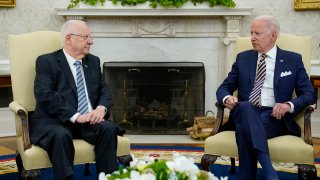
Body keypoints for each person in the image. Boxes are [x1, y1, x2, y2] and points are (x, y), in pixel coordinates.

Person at [216, 15, 316, 180]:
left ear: (273, 35)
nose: (252, 38)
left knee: (243, 128)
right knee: (246, 107)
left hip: (275, 118)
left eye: (258, 33)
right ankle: (269, 171)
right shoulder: (243, 58)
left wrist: (288, 105)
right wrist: (227, 98)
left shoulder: (293, 60)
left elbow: (309, 94)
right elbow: (224, 87)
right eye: (251, 33)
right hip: (246, 110)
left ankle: (246, 177)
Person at [30, 20, 123, 179]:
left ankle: (107, 177)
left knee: (108, 128)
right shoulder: (47, 62)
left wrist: (101, 108)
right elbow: (45, 94)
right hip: (56, 121)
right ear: (69, 39)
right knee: (61, 135)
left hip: (89, 120)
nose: (91, 41)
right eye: (85, 37)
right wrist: (77, 116)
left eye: (90, 37)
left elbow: (104, 90)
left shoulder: (93, 61)